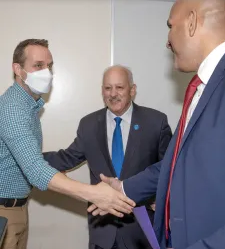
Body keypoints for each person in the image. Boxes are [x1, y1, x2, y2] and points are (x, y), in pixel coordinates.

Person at [88, 0, 225, 249]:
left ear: (193, 22)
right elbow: (178, 162)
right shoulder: (202, 87)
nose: (167, 40)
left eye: (170, 26)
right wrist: (123, 188)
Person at [0, 39, 135, 249]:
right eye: (38, 66)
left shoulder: (29, 107)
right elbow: (36, 170)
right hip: (4, 211)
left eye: (49, 65)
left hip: (18, 209)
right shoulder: (13, 109)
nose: (47, 72)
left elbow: (31, 160)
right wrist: (93, 193)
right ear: (18, 69)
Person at [43, 64, 172, 249]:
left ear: (132, 90)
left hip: (143, 229)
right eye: (107, 88)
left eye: (119, 87)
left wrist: (159, 200)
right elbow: (67, 158)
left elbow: (169, 169)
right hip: (103, 229)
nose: (113, 94)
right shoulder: (88, 124)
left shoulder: (155, 122)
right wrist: (27, 158)